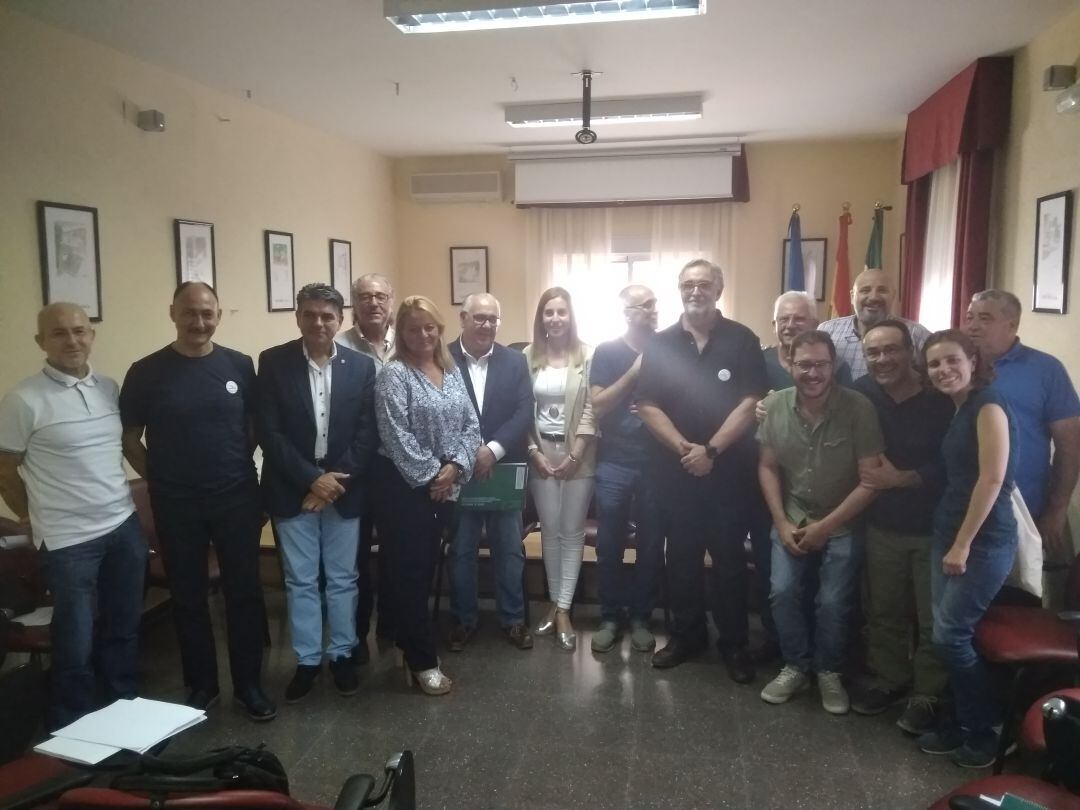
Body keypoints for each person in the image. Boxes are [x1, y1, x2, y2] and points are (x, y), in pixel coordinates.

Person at [120, 282, 274, 721]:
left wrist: (231, 467)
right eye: (190, 313)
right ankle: (201, 686)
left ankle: (249, 686)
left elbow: (252, 428)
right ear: (172, 312)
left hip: (235, 497)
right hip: (175, 502)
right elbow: (130, 439)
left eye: (207, 313)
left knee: (243, 593)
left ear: (219, 315)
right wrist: (161, 478)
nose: (199, 322)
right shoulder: (146, 371)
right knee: (188, 598)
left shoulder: (239, 365)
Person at [0, 303, 148, 729]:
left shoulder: (108, 387)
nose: (72, 341)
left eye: (80, 331)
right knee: (75, 639)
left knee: (123, 626)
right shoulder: (23, 399)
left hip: (123, 527)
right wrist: (31, 515)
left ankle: (122, 705)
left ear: (92, 335)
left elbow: (122, 446)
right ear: (40, 342)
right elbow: (5, 468)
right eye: (60, 333)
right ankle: (75, 724)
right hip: (68, 542)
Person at [637, 259, 767, 682]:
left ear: (719, 289)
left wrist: (711, 450)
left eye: (705, 284)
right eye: (689, 284)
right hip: (675, 473)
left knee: (730, 560)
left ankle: (734, 643)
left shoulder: (743, 339)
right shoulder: (659, 344)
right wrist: (685, 450)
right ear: (680, 290)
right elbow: (647, 404)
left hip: (729, 473)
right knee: (683, 559)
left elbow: (750, 402)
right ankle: (686, 636)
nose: (696, 291)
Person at [257, 283, 377, 704]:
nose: (319, 323)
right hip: (293, 489)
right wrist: (312, 479)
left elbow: (367, 434)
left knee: (343, 580)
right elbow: (268, 432)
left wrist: (331, 485)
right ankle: (307, 661)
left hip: (345, 491)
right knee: (300, 580)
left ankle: (341, 654)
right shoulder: (273, 363)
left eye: (327, 316)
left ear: (341, 321)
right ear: (298, 317)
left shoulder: (361, 368)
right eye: (310, 314)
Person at [757, 330, 883, 714]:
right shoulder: (775, 405)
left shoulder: (859, 408)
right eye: (803, 364)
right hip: (792, 514)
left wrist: (825, 527)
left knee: (832, 601)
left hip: (842, 518)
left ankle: (829, 671)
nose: (812, 373)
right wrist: (780, 522)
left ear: (834, 366)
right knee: (781, 591)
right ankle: (796, 665)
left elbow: (871, 481)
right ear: (789, 365)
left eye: (820, 365)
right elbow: (766, 466)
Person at [917, 329, 1018, 769]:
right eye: (935, 363)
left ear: (973, 360)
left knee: (950, 635)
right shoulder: (958, 407)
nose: (943, 370)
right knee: (951, 636)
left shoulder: (988, 405)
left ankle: (987, 729)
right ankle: (961, 720)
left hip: (981, 540)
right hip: (950, 534)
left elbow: (992, 479)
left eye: (952, 360)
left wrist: (962, 544)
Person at [850, 319, 953, 735]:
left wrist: (905, 479)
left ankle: (928, 694)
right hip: (881, 524)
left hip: (933, 526)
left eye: (891, 350)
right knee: (883, 611)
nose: (882, 359)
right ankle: (890, 680)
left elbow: (955, 462)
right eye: (873, 352)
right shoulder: (861, 392)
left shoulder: (940, 397)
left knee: (932, 620)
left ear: (910, 351)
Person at [375, 295, 481, 695]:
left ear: (440, 329)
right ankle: (422, 661)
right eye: (413, 328)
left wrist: (454, 467)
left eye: (430, 327)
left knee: (425, 570)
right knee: (411, 575)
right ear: (401, 332)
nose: (423, 335)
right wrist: (433, 478)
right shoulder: (394, 375)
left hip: (444, 483)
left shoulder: (449, 369)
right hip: (404, 490)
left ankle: (407, 640)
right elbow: (395, 435)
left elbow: (472, 425)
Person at [750, 290, 852, 663]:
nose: (791, 325)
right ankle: (779, 645)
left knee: (821, 585)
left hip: (824, 488)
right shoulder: (758, 361)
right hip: (771, 479)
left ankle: (820, 656)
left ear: (815, 323)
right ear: (774, 324)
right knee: (774, 570)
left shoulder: (834, 366)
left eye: (800, 319)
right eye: (784, 320)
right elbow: (739, 400)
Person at [447, 293, 535, 651]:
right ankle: (463, 620)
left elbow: (524, 409)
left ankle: (513, 620)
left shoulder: (515, 361)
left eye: (492, 319)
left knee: (509, 550)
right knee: (462, 550)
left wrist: (493, 450)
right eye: (479, 318)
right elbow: (437, 413)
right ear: (463, 318)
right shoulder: (441, 358)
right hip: (459, 471)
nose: (486, 325)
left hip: (503, 468)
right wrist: (469, 455)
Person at [963, 290, 1080, 558]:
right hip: (959, 506)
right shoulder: (955, 366)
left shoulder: (1046, 370)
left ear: (1012, 325)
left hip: (1024, 509)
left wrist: (1057, 508)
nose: (973, 326)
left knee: (1018, 596)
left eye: (984, 318)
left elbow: (1070, 447)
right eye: (970, 317)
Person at [588, 284, 663, 654]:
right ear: (626, 312)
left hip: (656, 462)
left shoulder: (669, 347)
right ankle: (611, 616)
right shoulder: (607, 352)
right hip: (614, 461)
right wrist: (634, 374)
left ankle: (641, 618)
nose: (652, 310)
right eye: (644, 305)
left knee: (651, 545)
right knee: (609, 544)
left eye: (654, 304)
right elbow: (598, 405)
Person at [524, 287, 597, 652]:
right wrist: (534, 452)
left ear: (571, 316)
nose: (555, 318)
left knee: (572, 532)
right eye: (548, 312)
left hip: (577, 456)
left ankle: (565, 608)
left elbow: (591, 408)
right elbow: (520, 408)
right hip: (540, 454)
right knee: (549, 530)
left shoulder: (588, 356)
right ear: (541, 318)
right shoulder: (527, 357)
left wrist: (575, 454)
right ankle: (554, 602)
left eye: (561, 312)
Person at [336, 272, 396, 655]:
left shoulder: (408, 343)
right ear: (353, 305)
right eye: (364, 296)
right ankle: (355, 636)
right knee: (354, 558)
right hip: (355, 469)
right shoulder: (339, 346)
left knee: (393, 553)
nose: (373, 303)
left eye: (380, 296)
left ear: (391, 302)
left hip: (396, 471)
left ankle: (391, 628)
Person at [818, 268, 931, 380]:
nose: (873, 297)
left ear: (893, 296)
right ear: (852, 297)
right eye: (865, 290)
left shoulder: (917, 335)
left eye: (882, 290)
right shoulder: (828, 331)